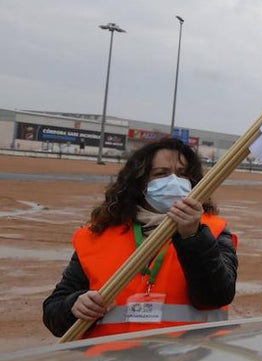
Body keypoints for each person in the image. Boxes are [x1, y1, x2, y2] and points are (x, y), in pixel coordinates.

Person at [43, 138, 238, 338]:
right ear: (140, 182)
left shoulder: (213, 231)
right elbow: (54, 314)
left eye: (181, 174)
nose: (173, 181)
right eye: (161, 174)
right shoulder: (97, 236)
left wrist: (193, 236)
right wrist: (74, 305)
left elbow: (216, 296)